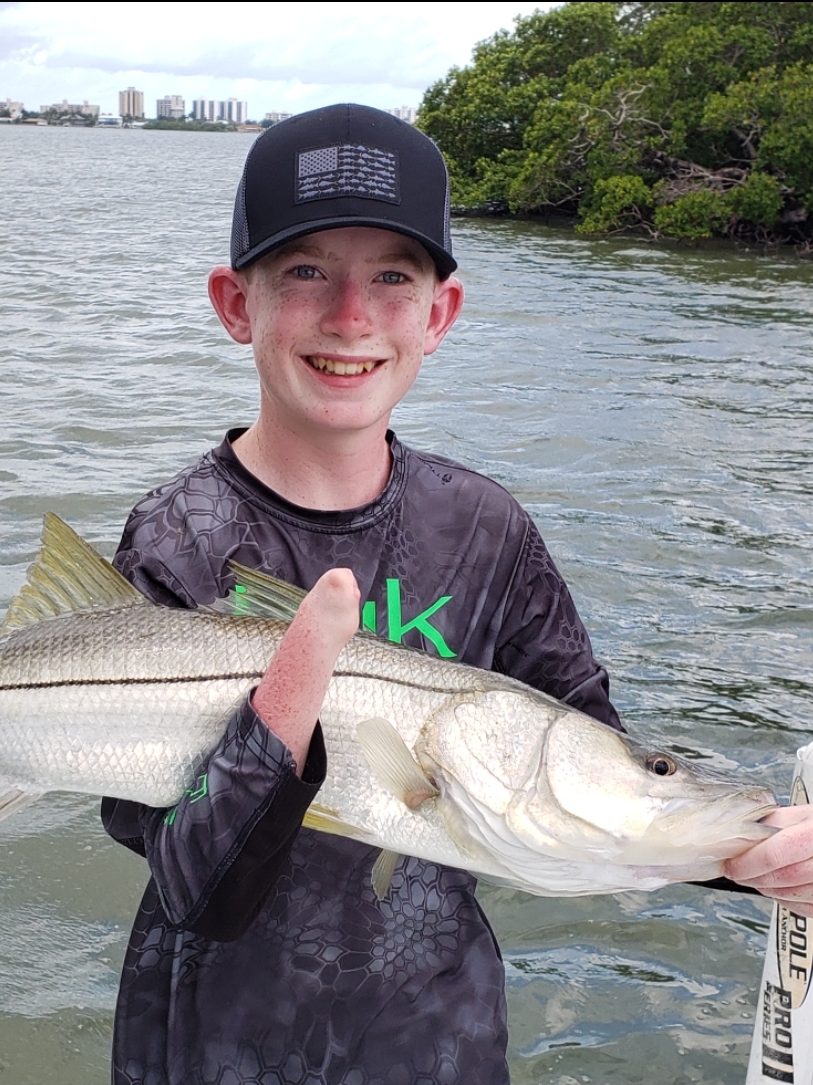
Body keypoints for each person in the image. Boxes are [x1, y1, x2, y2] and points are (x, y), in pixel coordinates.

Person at [100, 104, 813, 1085]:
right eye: (305, 269)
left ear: (439, 313)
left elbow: (585, 767)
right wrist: (278, 723)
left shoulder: (485, 527)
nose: (350, 314)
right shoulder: (178, 535)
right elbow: (190, 885)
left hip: (435, 1037)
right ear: (236, 302)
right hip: (213, 1043)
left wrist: (737, 853)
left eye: (392, 276)